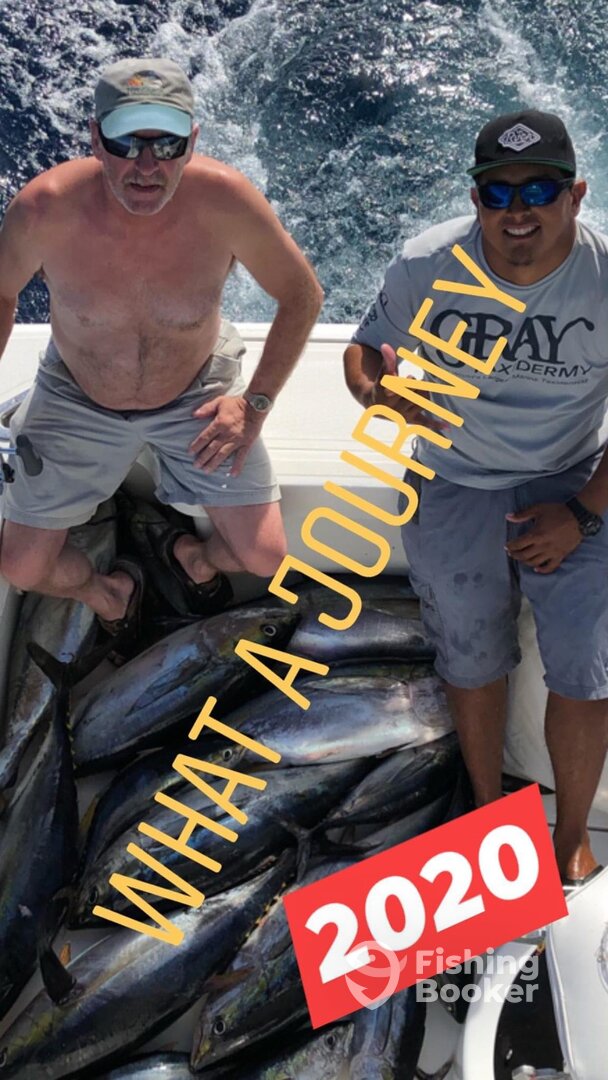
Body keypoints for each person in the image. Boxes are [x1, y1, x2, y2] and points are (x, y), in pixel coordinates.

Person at [344, 109, 608, 888]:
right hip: (454, 476)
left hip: (572, 476)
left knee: (589, 659)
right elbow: (363, 354)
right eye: (498, 193)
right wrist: (379, 395)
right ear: (476, 199)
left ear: (577, 194)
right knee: (468, 646)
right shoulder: (427, 263)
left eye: (540, 190)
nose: (518, 210)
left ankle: (569, 833)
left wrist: (582, 514)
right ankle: (489, 819)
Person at [0, 57, 323, 631]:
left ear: (192, 142)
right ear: (96, 138)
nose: (146, 166)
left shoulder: (227, 202)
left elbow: (302, 296)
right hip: (76, 396)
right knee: (21, 569)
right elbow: (3, 294)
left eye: (167, 144)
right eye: (126, 142)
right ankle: (108, 593)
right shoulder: (43, 209)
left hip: (196, 393)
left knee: (264, 558)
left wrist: (255, 406)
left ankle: (194, 558)